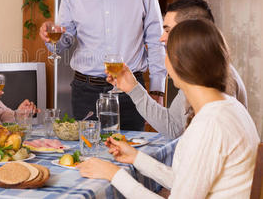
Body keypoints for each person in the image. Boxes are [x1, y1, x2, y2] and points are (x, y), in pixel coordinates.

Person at [78, 19, 260, 198]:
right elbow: (186, 182)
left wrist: (114, 175)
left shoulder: (209, 125)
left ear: (179, 61)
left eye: (167, 52)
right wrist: (136, 158)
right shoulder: (230, 107)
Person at [39, 0, 166, 130]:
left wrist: (158, 91)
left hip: (131, 90)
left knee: (133, 154)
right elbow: (64, 43)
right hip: (85, 92)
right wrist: (50, 39)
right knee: (90, 155)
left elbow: (155, 39)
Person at [116, 0, 247, 138]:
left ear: (190, 32)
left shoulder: (221, 86)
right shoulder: (197, 72)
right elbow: (173, 126)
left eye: (168, 30)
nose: (161, 38)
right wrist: (133, 88)